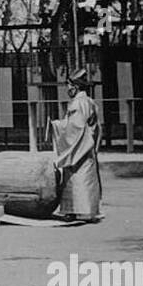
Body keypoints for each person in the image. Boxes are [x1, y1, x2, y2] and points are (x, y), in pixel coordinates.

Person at [51, 67, 101, 221]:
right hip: (87, 146)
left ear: (75, 86)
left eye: (69, 85)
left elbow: (75, 127)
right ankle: (88, 210)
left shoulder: (78, 104)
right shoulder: (89, 101)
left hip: (79, 145)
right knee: (86, 177)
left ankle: (78, 210)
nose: (67, 89)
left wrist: (58, 125)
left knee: (77, 177)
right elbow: (96, 126)